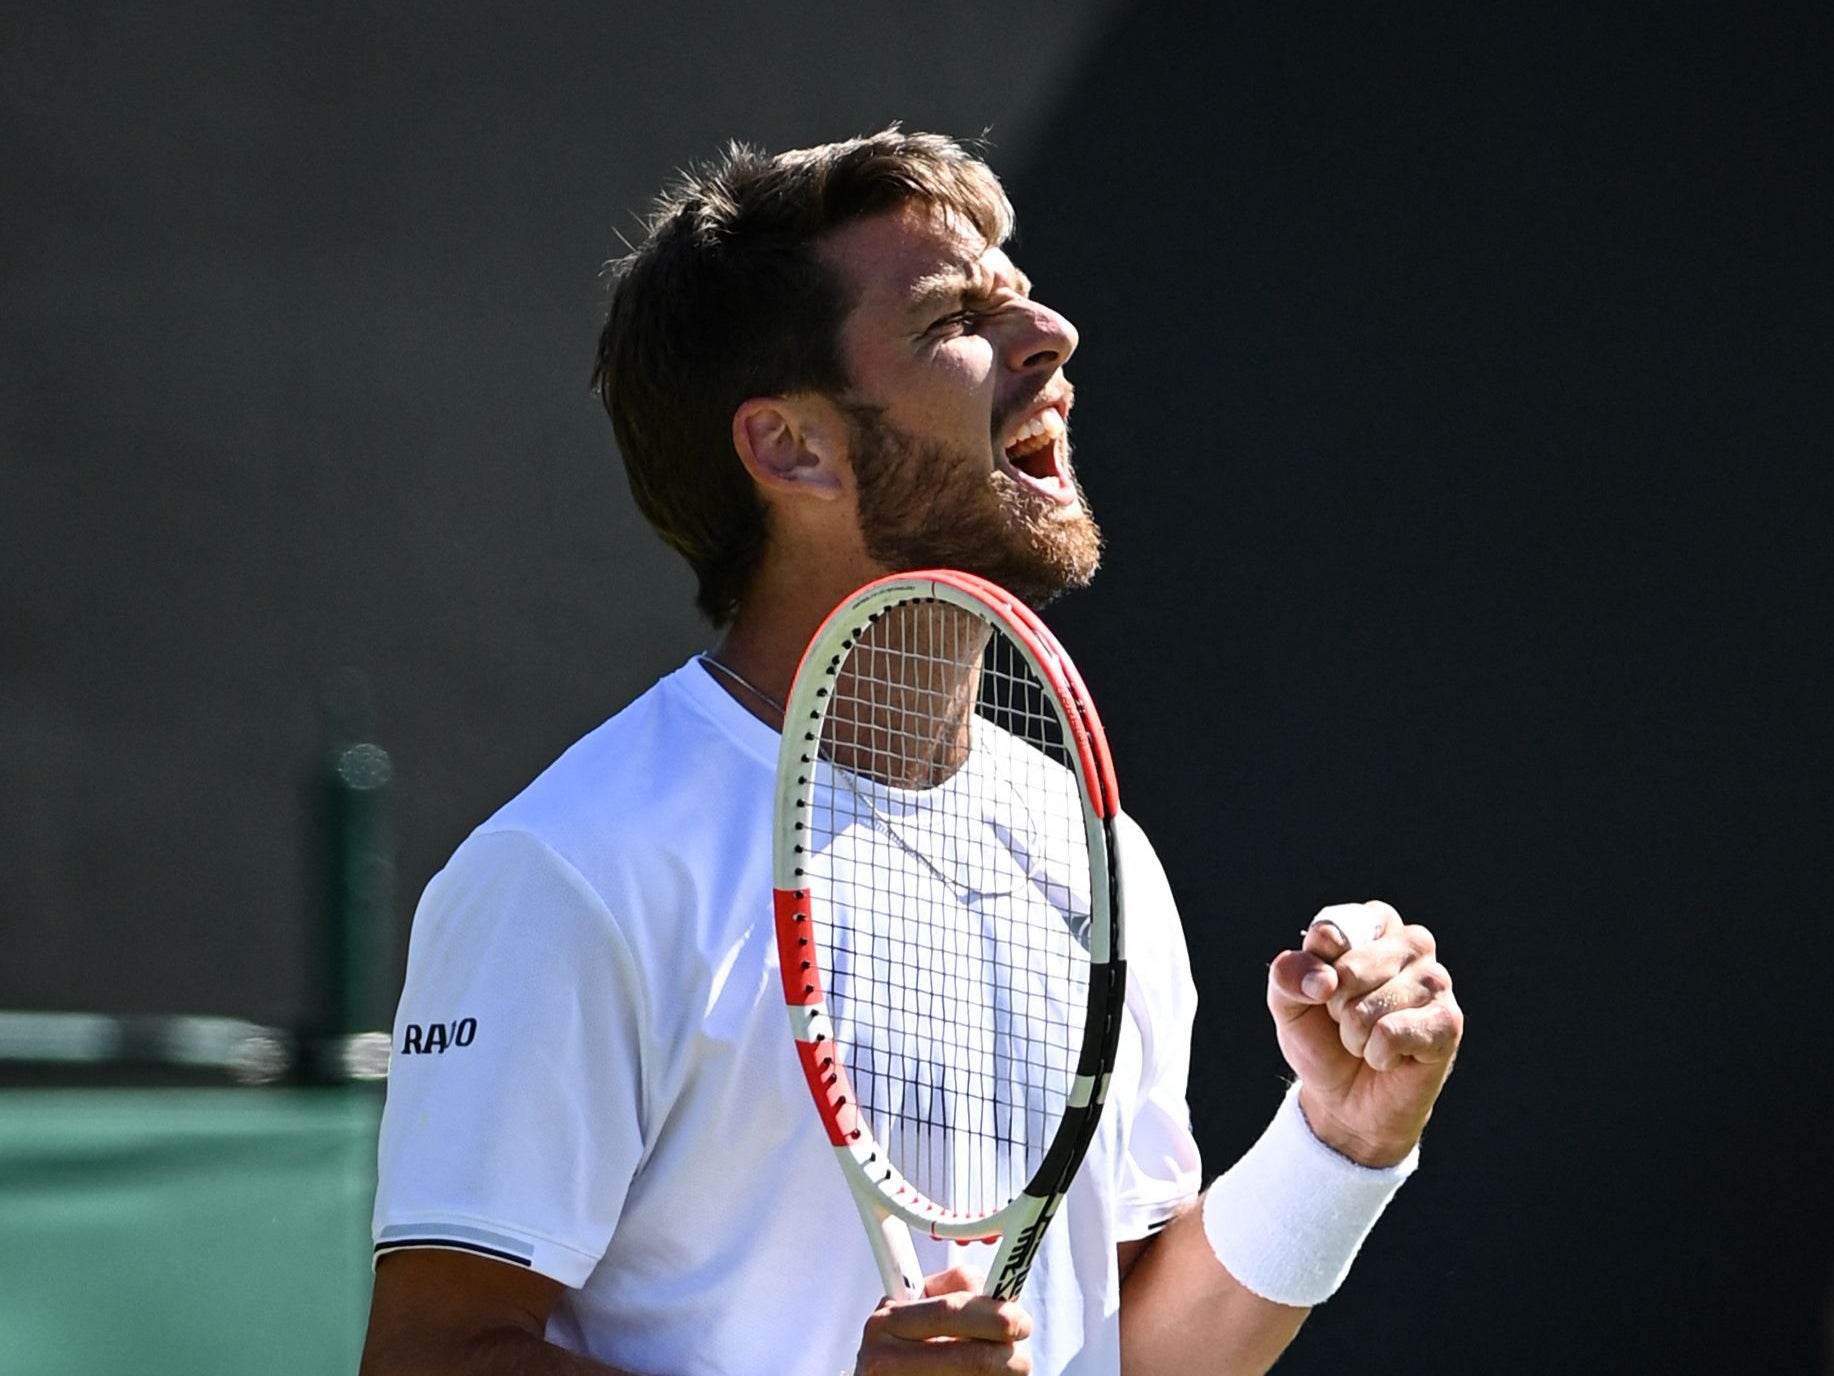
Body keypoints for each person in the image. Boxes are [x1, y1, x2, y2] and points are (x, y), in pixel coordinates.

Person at [360, 128, 1464, 1376]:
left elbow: (1130, 1345)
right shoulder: (573, 870)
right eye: (957, 315)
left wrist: (1342, 1142)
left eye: (1019, 288)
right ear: (791, 447)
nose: (1050, 333)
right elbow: (430, 1357)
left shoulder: (1097, 855)